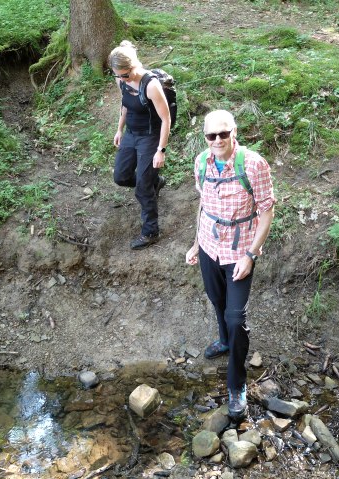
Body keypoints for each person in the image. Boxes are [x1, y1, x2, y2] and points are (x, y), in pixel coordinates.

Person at [185, 110, 275, 420]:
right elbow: (204, 203)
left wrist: (251, 254)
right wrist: (196, 243)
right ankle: (224, 341)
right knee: (217, 300)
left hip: (240, 251)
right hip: (210, 246)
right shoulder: (200, 162)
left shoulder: (253, 164)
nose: (218, 140)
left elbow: (266, 212)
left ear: (234, 132)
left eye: (224, 134)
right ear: (205, 137)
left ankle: (236, 384)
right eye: (212, 135)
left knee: (236, 317)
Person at [108, 41, 171, 250]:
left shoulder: (151, 85)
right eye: (118, 75)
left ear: (134, 66)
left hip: (150, 137)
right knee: (121, 176)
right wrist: (119, 130)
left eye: (125, 74)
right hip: (131, 134)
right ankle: (155, 182)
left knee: (142, 187)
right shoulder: (121, 81)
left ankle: (151, 231)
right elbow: (124, 105)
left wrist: (161, 150)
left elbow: (166, 119)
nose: (122, 79)